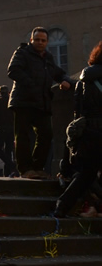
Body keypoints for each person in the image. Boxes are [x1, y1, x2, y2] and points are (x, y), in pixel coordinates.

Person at [7, 27, 71, 178]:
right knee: (22, 136)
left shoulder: (48, 58)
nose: (40, 42)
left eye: (43, 40)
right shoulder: (22, 53)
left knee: (46, 134)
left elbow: (57, 72)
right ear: (31, 40)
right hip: (23, 101)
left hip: (42, 102)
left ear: (47, 42)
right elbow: (13, 70)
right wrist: (30, 84)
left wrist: (64, 80)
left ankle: (37, 167)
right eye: (37, 40)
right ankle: (25, 169)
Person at [55, 41, 102, 217]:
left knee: (86, 175)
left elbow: (78, 110)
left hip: (88, 132)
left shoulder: (84, 80)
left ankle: (61, 207)